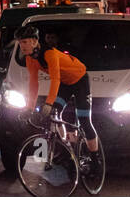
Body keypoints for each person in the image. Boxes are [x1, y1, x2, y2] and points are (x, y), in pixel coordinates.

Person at [16, 25, 99, 164]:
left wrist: (48, 102)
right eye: (19, 43)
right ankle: (67, 148)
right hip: (66, 84)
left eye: (24, 42)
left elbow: (55, 79)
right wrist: (30, 107)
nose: (22, 46)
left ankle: (95, 158)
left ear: (35, 41)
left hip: (80, 80)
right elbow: (33, 83)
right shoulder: (30, 59)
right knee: (55, 113)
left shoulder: (50, 54)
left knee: (84, 120)